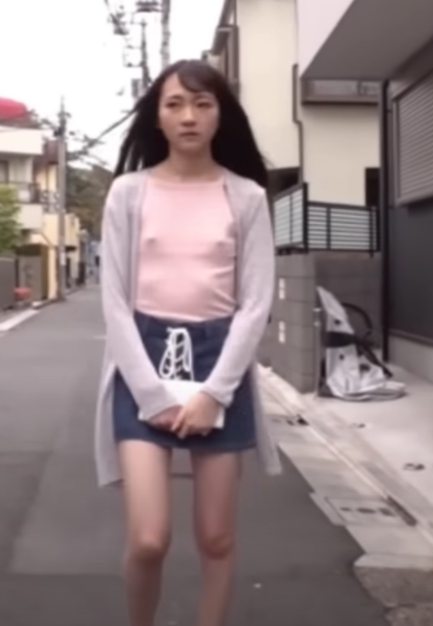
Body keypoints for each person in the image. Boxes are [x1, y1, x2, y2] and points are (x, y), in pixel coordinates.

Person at [94, 59, 282, 626]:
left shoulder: (246, 196)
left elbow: (255, 304)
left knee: (217, 537)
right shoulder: (128, 193)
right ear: (158, 117)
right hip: (143, 358)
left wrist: (214, 393)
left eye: (202, 104)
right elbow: (114, 303)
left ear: (221, 114)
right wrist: (152, 395)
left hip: (219, 360)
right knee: (148, 538)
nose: (189, 116)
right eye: (175, 104)